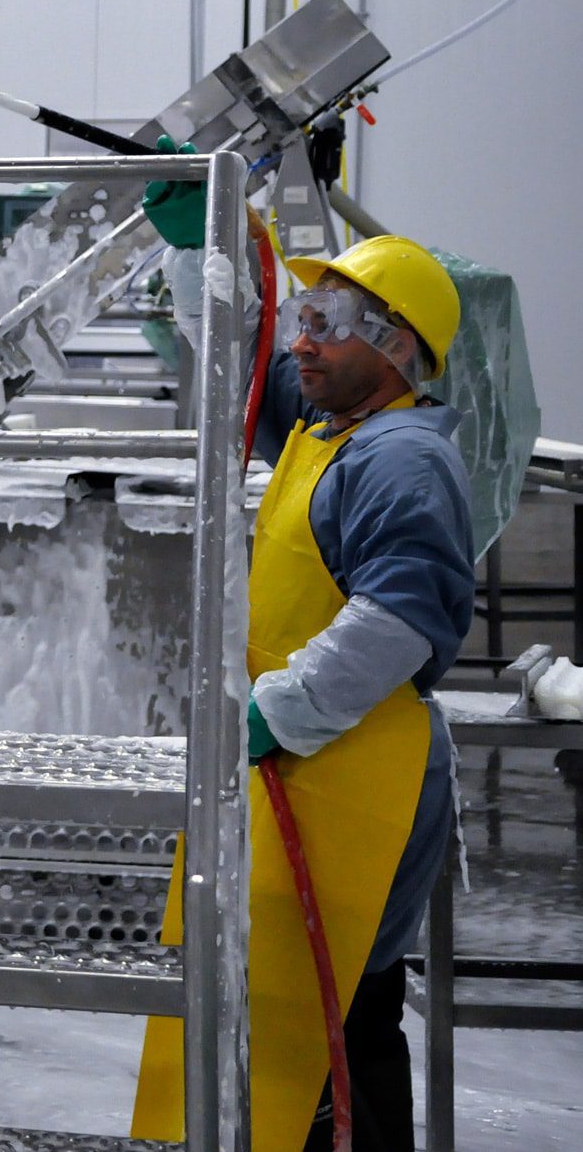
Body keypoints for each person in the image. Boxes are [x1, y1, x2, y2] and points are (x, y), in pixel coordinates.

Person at [131, 149, 473, 1152]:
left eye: (329, 328)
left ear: (397, 343)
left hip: (356, 771)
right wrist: (216, 247)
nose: (304, 345)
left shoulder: (399, 455)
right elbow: (247, 359)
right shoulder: (328, 429)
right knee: (285, 1006)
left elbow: (398, 622)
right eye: (309, 321)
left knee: (345, 1014)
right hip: (309, 762)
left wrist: (272, 710)